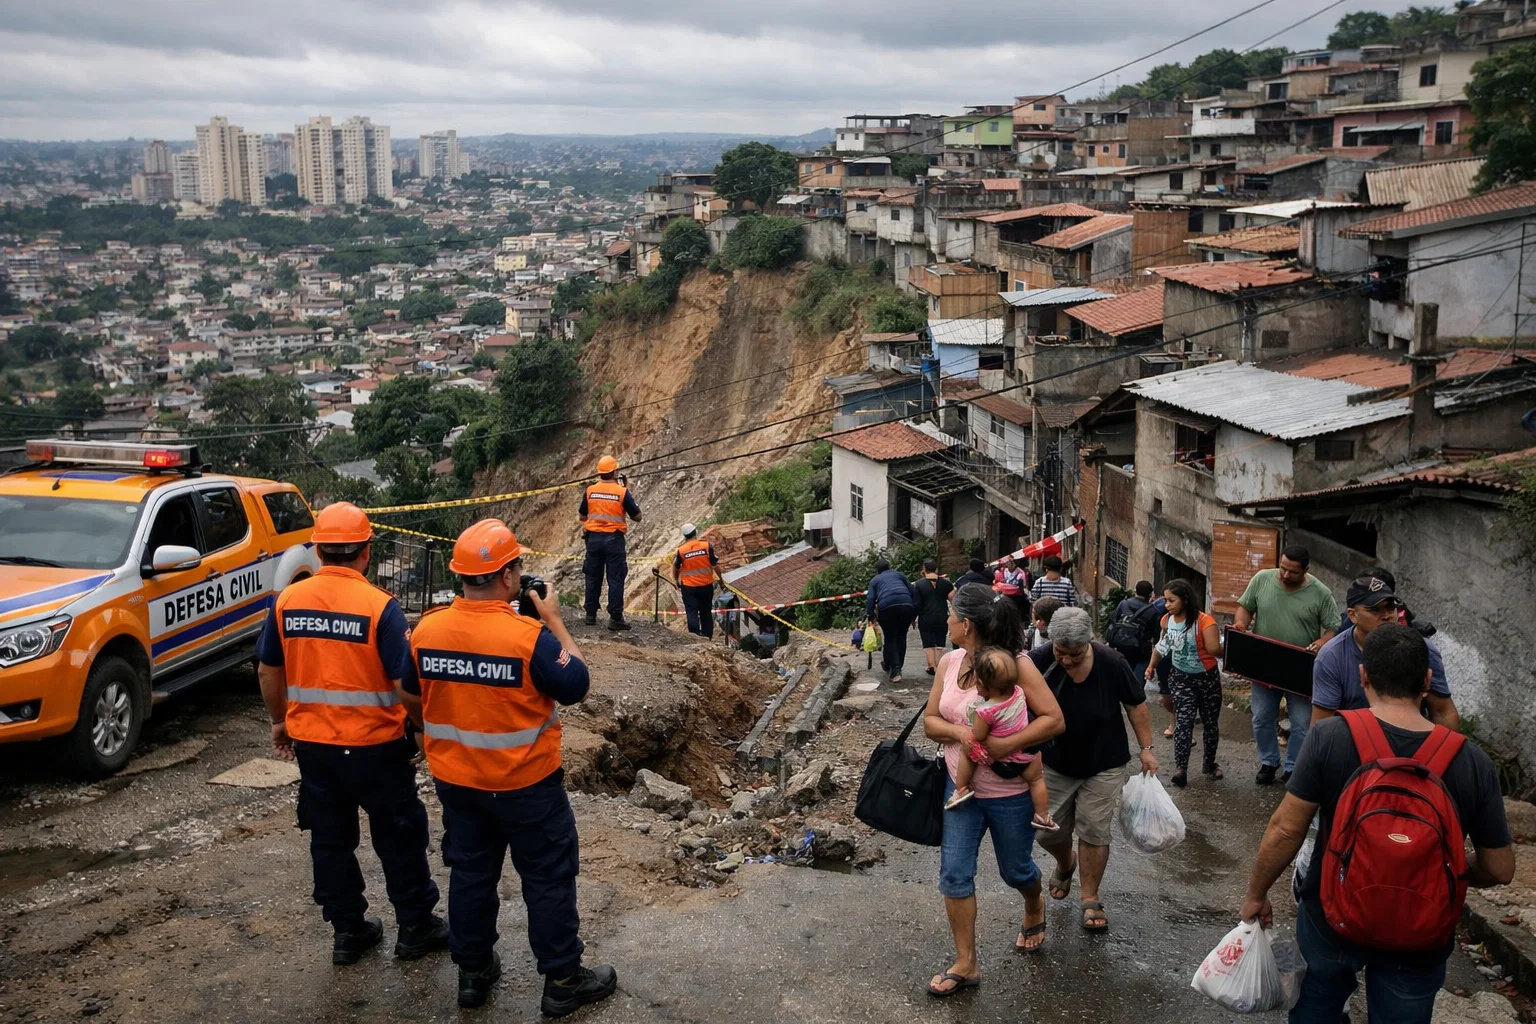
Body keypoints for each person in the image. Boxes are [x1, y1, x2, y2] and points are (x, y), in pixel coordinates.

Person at [1240, 625, 1513, 1024]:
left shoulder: (1330, 738)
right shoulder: (1471, 761)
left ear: (1363, 676)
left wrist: (1256, 894)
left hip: (1332, 915)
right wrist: (1455, 869)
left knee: (1316, 1006)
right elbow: (1501, 868)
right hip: (1421, 932)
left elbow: (1285, 829)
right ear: (1427, 681)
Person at [401, 519, 618, 1016]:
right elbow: (577, 683)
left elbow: (409, 693)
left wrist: (434, 729)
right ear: (506, 576)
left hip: (457, 781)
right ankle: (562, 980)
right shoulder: (529, 638)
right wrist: (555, 621)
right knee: (546, 877)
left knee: (472, 874)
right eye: (517, 567)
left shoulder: (427, 629)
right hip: (527, 786)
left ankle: (472, 976)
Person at [254, 502, 447, 967]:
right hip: (376, 748)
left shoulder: (287, 601)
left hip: (315, 750)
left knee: (330, 840)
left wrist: (280, 721)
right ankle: (416, 927)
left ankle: (348, 931)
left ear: (318, 550)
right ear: (366, 552)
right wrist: (420, 731)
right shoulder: (381, 608)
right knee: (399, 836)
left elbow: (267, 669)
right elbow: (405, 683)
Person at [923, 584, 1065, 993]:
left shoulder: (1015, 664)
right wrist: (961, 734)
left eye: (951, 614)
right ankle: (966, 963)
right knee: (954, 874)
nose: (946, 620)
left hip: (1009, 794)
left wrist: (1004, 744)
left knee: (1015, 870)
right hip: (960, 788)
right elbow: (932, 721)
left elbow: (1053, 720)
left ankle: (1034, 900)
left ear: (965, 624)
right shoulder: (950, 662)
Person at [1029, 606, 1158, 934]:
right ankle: (1065, 862)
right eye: (1061, 652)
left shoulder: (1112, 662)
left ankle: (1090, 897)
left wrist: (1146, 749)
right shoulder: (1037, 661)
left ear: (1088, 643)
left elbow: (1135, 705)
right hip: (1055, 762)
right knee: (1047, 832)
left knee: (1094, 830)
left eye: (1074, 654)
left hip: (1104, 763)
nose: (1067, 660)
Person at [1233, 545, 1337, 785]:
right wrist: (1241, 625)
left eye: (1293, 572)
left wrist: (1322, 642)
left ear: (1305, 570)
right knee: (1261, 717)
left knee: (1301, 722)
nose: (1285, 575)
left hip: (1299, 668)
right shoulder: (1262, 579)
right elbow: (1246, 607)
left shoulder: (1321, 593)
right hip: (1264, 663)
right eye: (1283, 568)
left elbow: (1333, 628)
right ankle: (1269, 762)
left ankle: (1293, 768)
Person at [1312, 575, 1459, 729]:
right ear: (1353, 615)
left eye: (1390, 607)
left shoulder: (1422, 649)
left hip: (1411, 744)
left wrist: (1450, 751)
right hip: (1355, 745)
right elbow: (1322, 725)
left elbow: (1442, 711)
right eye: (1374, 609)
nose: (1386, 616)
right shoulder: (1332, 657)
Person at [944, 646, 1058, 835]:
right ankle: (1042, 815)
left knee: (968, 748)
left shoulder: (986, 711)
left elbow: (979, 735)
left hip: (1001, 761)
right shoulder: (1019, 693)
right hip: (1024, 757)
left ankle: (961, 788)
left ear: (982, 685)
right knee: (1037, 780)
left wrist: (972, 726)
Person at [1144, 580, 1223, 787]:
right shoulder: (1166, 620)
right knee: (1184, 722)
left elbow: (1215, 650)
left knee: (1210, 723)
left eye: (1171, 600)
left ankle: (1209, 763)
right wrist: (1151, 666)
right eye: (1165, 600)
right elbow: (1162, 646)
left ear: (1185, 599)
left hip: (1207, 679)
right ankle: (1181, 769)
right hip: (1181, 678)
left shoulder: (1205, 622)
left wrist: (1230, 648)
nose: (1167, 605)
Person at [578, 454, 641, 631]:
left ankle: (590, 615)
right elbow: (637, 517)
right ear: (614, 472)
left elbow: (583, 516)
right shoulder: (621, 492)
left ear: (600, 473)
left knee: (592, 576)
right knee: (615, 578)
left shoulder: (590, 490)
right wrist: (625, 492)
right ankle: (615, 618)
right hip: (614, 540)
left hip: (593, 540)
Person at [865, 558, 918, 683]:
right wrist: (913, 614)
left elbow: (870, 599)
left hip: (887, 607)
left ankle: (895, 670)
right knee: (901, 636)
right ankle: (892, 664)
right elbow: (913, 592)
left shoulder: (875, 580)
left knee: (890, 638)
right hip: (906, 605)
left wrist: (870, 616)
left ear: (878, 570)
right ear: (889, 566)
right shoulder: (899, 575)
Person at [672, 523, 722, 639]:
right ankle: (707, 637)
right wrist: (721, 580)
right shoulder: (706, 546)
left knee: (691, 612)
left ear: (684, 536)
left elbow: (676, 567)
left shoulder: (681, 550)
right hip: (706, 586)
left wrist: (676, 580)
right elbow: (715, 566)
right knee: (706, 612)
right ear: (695, 532)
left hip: (689, 588)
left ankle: (695, 637)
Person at [913, 559, 955, 676]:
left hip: (925, 617)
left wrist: (913, 618)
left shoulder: (919, 584)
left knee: (928, 643)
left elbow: (917, 604)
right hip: (942, 616)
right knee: (940, 643)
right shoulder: (946, 583)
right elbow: (953, 600)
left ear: (924, 569)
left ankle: (931, 666)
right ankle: (939, 666)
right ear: (936, 569)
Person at [992, 554, 1029, 620]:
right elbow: (997, 583)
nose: (1007, 564)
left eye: (1009, 562)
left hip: (1016, 597)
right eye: (1006, 563)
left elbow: (1023, 586)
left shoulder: (1021, 573)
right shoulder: (1002, 571)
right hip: (1004, 595)